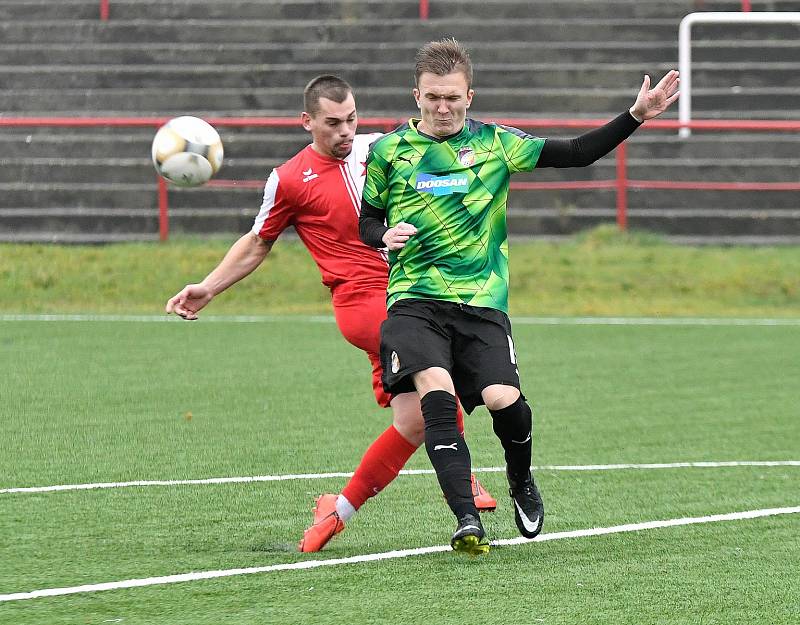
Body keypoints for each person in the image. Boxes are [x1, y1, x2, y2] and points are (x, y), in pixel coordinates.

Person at [359, 39, 679, 555]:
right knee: (436, 401)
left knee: (504, 403)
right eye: (433, 97)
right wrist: (382, 237)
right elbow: (367, 219)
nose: (443, 108)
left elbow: (577, 154)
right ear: (415, 95)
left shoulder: (496, 144)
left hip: (483, 304)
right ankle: (466, 520)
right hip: (414, 302)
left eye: (453, 98)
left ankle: (520, 481)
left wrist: (635, 115)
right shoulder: (387, 153)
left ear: (470, 96)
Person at [165, 74, 497, 553]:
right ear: (307, 122)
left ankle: (337, 510)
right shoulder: (288, 179)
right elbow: (258, 242)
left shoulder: (382, 149)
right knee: (439, 370)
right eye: (332, 123)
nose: (345, 131)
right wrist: (209, 287)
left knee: (414, 422)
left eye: (351, 120)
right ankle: (462, 477)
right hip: (365, 305)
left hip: (410, 292)